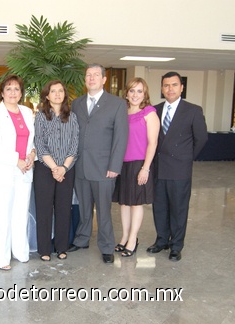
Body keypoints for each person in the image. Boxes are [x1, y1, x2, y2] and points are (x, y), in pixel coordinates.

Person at [68, 64, 129, 264]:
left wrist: (115, 166)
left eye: (96, 75)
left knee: (103, 211)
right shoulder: (76, 103)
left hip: (104, 168)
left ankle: (106, 246)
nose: (91, 78)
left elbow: (121, 138)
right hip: (80, 166)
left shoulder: (117, 104)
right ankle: (82, 239)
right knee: (84, 208)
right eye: (88, 75)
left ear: (104, 79)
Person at [148, 71, 208, 261]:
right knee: (160, 207)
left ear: (181, 87)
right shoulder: (154, 110)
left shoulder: (193, 110)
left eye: (174, 85)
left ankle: (176, 245)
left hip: (179, 169)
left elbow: (201, 139)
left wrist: (186, 158)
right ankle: (162, 240)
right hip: (158, 168)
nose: (170, 89)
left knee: (178, 208)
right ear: (162, 89)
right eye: (166, 85)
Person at [0, 74, 36, 270]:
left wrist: (31, 155)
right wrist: (17, 160)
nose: (13, 92)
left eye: (17, 89)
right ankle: (0, 258)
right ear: (2, 92)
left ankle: (20, 251)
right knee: (0, 215)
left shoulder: (28, 112)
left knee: (20, 213)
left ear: (21, 93)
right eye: (9, 88)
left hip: (24, 171)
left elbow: (31, 140)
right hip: (1, 170)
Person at [113, 77, 160, 257]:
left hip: (139, 163)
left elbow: (153, 143)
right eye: (132, 90)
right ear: (126, 93)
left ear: (145, 94)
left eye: (139, 91)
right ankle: (124, 236)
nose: (135, 95)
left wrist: (145, 168)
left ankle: (133, 239)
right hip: (122, 163)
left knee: (136, 203)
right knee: (124, 203)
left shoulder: (149, 113)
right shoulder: (122, 111)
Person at [34, 80, 79, 261]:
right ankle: (44, 250)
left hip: (67, 170)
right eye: (53, 91)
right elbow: (40, 145)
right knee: (44, 210)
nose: (57, 94)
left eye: (61, 91)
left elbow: (75, 145)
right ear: (47, 95)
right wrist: (54, 168)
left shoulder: (72, 117)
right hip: (45, 169)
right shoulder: (40, 117)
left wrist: (63, 168)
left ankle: (61, 247)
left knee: (63, 209)